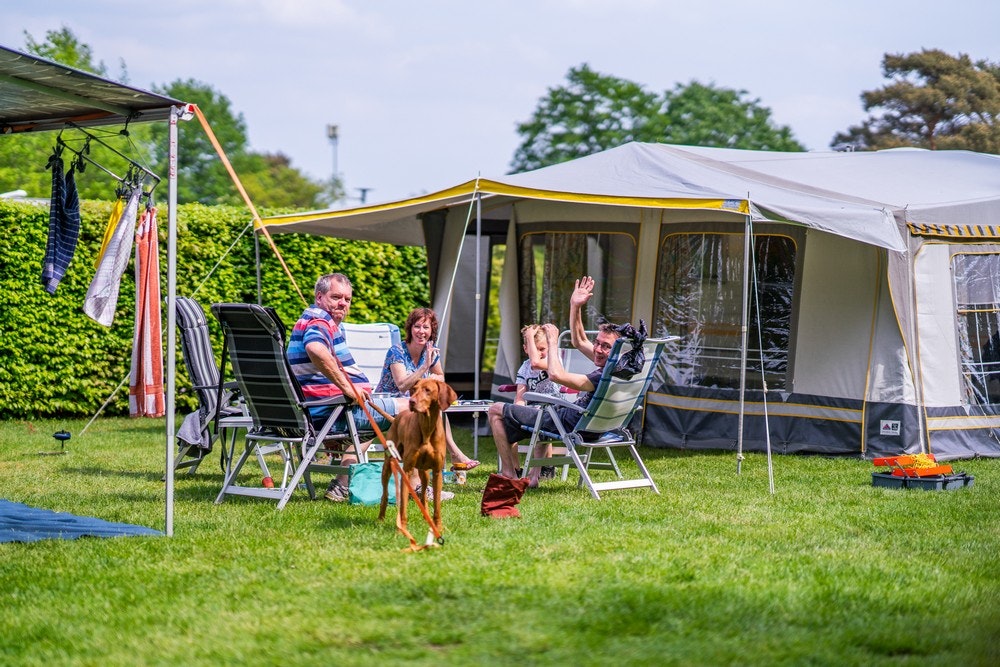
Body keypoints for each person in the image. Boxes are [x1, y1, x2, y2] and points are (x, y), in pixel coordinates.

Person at [287, 272, 411, 502]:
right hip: (331, 414)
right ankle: (419, 485)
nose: (343, 303)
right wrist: (350, 390)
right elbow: (315, 349)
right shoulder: (319, 322)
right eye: (336, 297)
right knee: (414, 407)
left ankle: (342, 485)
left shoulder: (314, 320)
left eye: (347, 299)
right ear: (319, 297)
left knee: (370, 420)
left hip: (326, 411)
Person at [488, 275, 622, 487]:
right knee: (534, 413)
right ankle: (532, 477)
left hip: (569, 422)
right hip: (595, 425)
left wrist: (552, 342)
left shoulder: (601, 376)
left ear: (617, 350)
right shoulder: (621, 368)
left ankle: (509, 474)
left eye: (605, 346)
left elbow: (556, 375)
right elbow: (579, 341)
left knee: (495, 409)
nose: (597, 349)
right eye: (597, 343)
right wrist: (575, 305)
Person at [375, 307, 480, 472]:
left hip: (415, 402)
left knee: (435, 408)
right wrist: (425, 368)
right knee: (431, 410)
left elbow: (441, 377)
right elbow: (402, 385)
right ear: (410, 328)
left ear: (432, 331)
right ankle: (454, 454)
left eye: (426, 327)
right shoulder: (397, 351)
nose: (421, 331)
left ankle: (446, 457)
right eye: (417, 326)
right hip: (391, 402)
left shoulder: (430, 351)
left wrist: (429, 377)